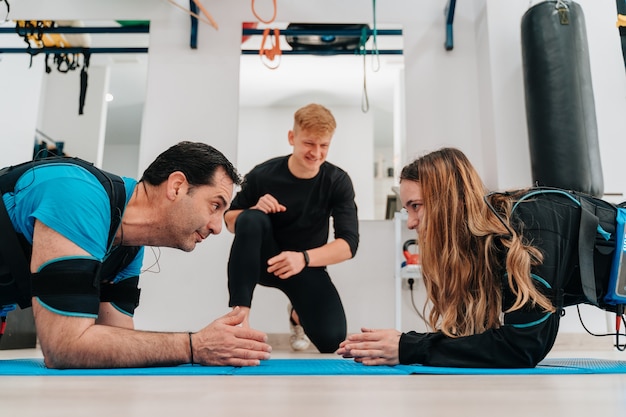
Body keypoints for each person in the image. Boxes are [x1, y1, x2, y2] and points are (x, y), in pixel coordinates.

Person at [337, 147, 621, 368]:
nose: (410, 222)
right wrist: (403, 345)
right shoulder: (487, 242)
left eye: (416, 206)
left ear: (446, 202)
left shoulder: (526, 225)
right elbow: (474, 339)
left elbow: (523, 346)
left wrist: (406, 347)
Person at [0, 141, 272, 369]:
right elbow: (64, 347)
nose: (216, 227)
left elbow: (113, 342)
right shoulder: (79, 195)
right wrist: (195, 345)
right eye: (215, 205)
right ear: (176, 186)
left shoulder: (128, 250)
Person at [224, 103, 359, 353]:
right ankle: (240, 317)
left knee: (332, 341)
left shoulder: (337, 181)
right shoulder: (263, 175)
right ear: (291, 137)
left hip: (304, 264)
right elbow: (230, 220)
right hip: (263, 260)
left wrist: (303, 258)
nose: (316, 153)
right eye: (309, 143)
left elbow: (348, 245)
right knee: (252, 219)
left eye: (324, 146)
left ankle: (297, 314)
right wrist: (252, 209)